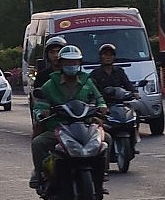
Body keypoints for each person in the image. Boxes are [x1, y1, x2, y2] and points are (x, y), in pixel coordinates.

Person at [30, 45, 109, 188]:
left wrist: (102, 107)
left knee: (107, 139)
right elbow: (40, 106)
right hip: (59, 127)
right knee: (38, 143)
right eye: (67, 63)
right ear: (61, 64)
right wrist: (42, 112)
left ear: (79, 64)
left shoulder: (87, 82)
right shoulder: (49, 85)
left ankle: (101, 173)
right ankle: (41, 173)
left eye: (74, 63)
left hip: (85, 125)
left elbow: (99, 99)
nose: (71, 66)